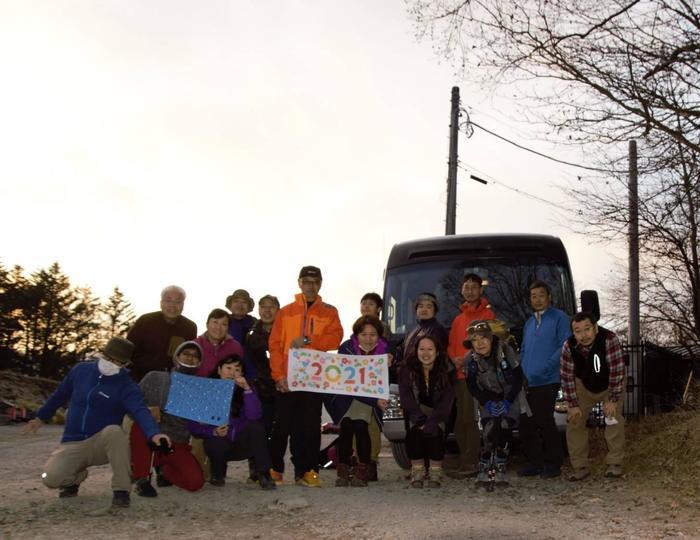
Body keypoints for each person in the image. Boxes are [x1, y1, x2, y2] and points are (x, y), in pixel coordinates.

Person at [22, 337, 170, 508]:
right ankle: (75, 479)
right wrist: (40, 417)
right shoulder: (80, 371)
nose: (110, 363)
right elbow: (60, 394)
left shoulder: (128, 387)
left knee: (115, 431)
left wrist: (154, 433)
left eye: (118, 362)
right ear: (102, 354)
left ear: (125, 364)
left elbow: (140, 411)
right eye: (108, 358)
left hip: (101, 443)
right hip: (73, 442)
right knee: (50, 479)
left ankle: (121, 490)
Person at [269, 265, 343, 487]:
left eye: (315, 282)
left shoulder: (329, 311)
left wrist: (310, 340)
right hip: (287, 378)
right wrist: (278, 376)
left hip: (313, 379)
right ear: (299, 282)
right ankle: (275, 469)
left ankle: (307, 471)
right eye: (307, 281)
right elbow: (274, 345)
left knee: (309, 427)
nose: (311, 286)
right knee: (281, 426)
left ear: (320, 284)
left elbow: (335, 339)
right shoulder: (286, 311)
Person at [130, 341, 205, 497]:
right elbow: (132, 404)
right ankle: (142, 479)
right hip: (152, 440)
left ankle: (165, 471)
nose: (190, 358)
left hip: (177, 444)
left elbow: (201, 424)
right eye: (186, 354)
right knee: (140, 425)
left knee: (195, 482)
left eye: (195, 356)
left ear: (199, 362)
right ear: (176, 356)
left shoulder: (201, 390)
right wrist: (149, 409)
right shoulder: (156, 378)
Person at [188, 355, 275, 489]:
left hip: (242, 442)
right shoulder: (206, 391)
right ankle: (218, 473)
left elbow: (255, 416)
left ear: (242, 373)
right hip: (218, 443)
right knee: (216, 442)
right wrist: (213, 432)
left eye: (237, 369)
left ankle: (264, 473)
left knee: (257, 427)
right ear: (219, 370)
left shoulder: (248, 389)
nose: (232, 372)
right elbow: (193, 427)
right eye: (228, 368)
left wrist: (247, 390)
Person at [324, 315, 389, 486]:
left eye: (373, 335)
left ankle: (363, 469)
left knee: (360, 426)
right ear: (356, 335)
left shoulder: (385, 351)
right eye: (363, 334)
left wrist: (392, 362)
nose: (368, 339)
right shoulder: (346, 348)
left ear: (379, 336)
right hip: (345, 396)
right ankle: (343, 470)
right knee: (346, 427)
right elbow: (344, 380)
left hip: (368, 397)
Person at [560, 312, 625, 481]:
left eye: (587, 329)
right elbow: (567, 377)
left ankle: (615, 462)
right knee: (574, 420)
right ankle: (580, 466)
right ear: (573, 333)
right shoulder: (568, 346)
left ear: (595, 328)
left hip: (609, 382)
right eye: (578, 331)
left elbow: (617, 371)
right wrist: (572, 404)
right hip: (583, 384)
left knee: (613, 417)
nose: (583, 335)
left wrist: (612, 399)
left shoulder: (609, 339)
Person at [464, 320, 529, 486]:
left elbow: (518, 379)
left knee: (505, 426)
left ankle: (501, 463)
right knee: (489, 429)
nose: (480, 343)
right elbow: (472, 385)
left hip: (510, 395)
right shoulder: (470, 360)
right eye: (475, 340)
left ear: (491, 338)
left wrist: (507, 402)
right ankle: (484, 464)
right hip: (488, 397)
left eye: (483, 338)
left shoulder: (505, 351)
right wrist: (486, 403)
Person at [518, 280, 570, 478]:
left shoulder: (559, 318)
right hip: (528, 381)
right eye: (533, 296)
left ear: (549, 297)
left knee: (545, 422)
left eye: (541, 295)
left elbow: (565, 344)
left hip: (548, 379)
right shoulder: (529, 323)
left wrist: (546, 365)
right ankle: (535, 462)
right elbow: (524, 349)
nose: (537, 299)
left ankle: (553, 463)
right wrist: (522, 370)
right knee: (527, 423)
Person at [447, 273, 496, 479]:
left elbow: (490, 344)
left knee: (472, 419)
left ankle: (472, 463)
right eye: (466, 287)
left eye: (473, 287)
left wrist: (467, 358)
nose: (469, 291)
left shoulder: (488, 316)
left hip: (478, 375)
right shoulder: (458, 319)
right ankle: (465, 460)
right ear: (462, 290)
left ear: (480, 290)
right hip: (459, 376)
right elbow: (450, 345)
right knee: (460, 421)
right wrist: (454, 358)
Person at [399, 335, 455, 488]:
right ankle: (417, 470)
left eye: (430, 349)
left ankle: (436, 471)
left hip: (439, 413)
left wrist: (430, 422)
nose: (425, 353)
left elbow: (446, 401)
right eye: (421, 349)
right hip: (415, 411)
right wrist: (419, 419)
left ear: (437, 352)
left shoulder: (447, 369)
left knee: (435, 432)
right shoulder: (407, 369)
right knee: (415, 433)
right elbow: (406, 397)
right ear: (415, 351)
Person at [127, 285, 197, 382]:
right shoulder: (145, 321)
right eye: (168, 301)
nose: (172, 305)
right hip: (139, 379)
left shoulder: (190, 327)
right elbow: (128, 349)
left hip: (171, 382)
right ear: (161, 303)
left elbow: (190, 358)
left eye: (177, 301)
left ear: (183, 304)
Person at [245, 295, 281, 442]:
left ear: (278, 310)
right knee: (260, 429)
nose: (267, 310)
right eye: (263, 306)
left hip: (283, 389)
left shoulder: (285, 332)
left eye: (271, 306)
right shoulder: (251, 334)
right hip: (260, 390)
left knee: (280, 431)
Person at [394, 292, 448, 373]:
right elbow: (401, 349)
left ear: (435, 311)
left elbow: (435, 357)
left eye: (429, 306)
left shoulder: (437, 329)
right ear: (416, 310)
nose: (424, 309)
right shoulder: (413, 330)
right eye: (420, 306)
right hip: (410, 376)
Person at [195, 308, 245, 377]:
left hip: (226, 386)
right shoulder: (195, 345)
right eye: (215, 322)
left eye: (224, 324)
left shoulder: (235, 347)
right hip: (196, 385)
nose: (218, 327)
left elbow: (238, 373)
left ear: (228, 328)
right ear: (207, 324)